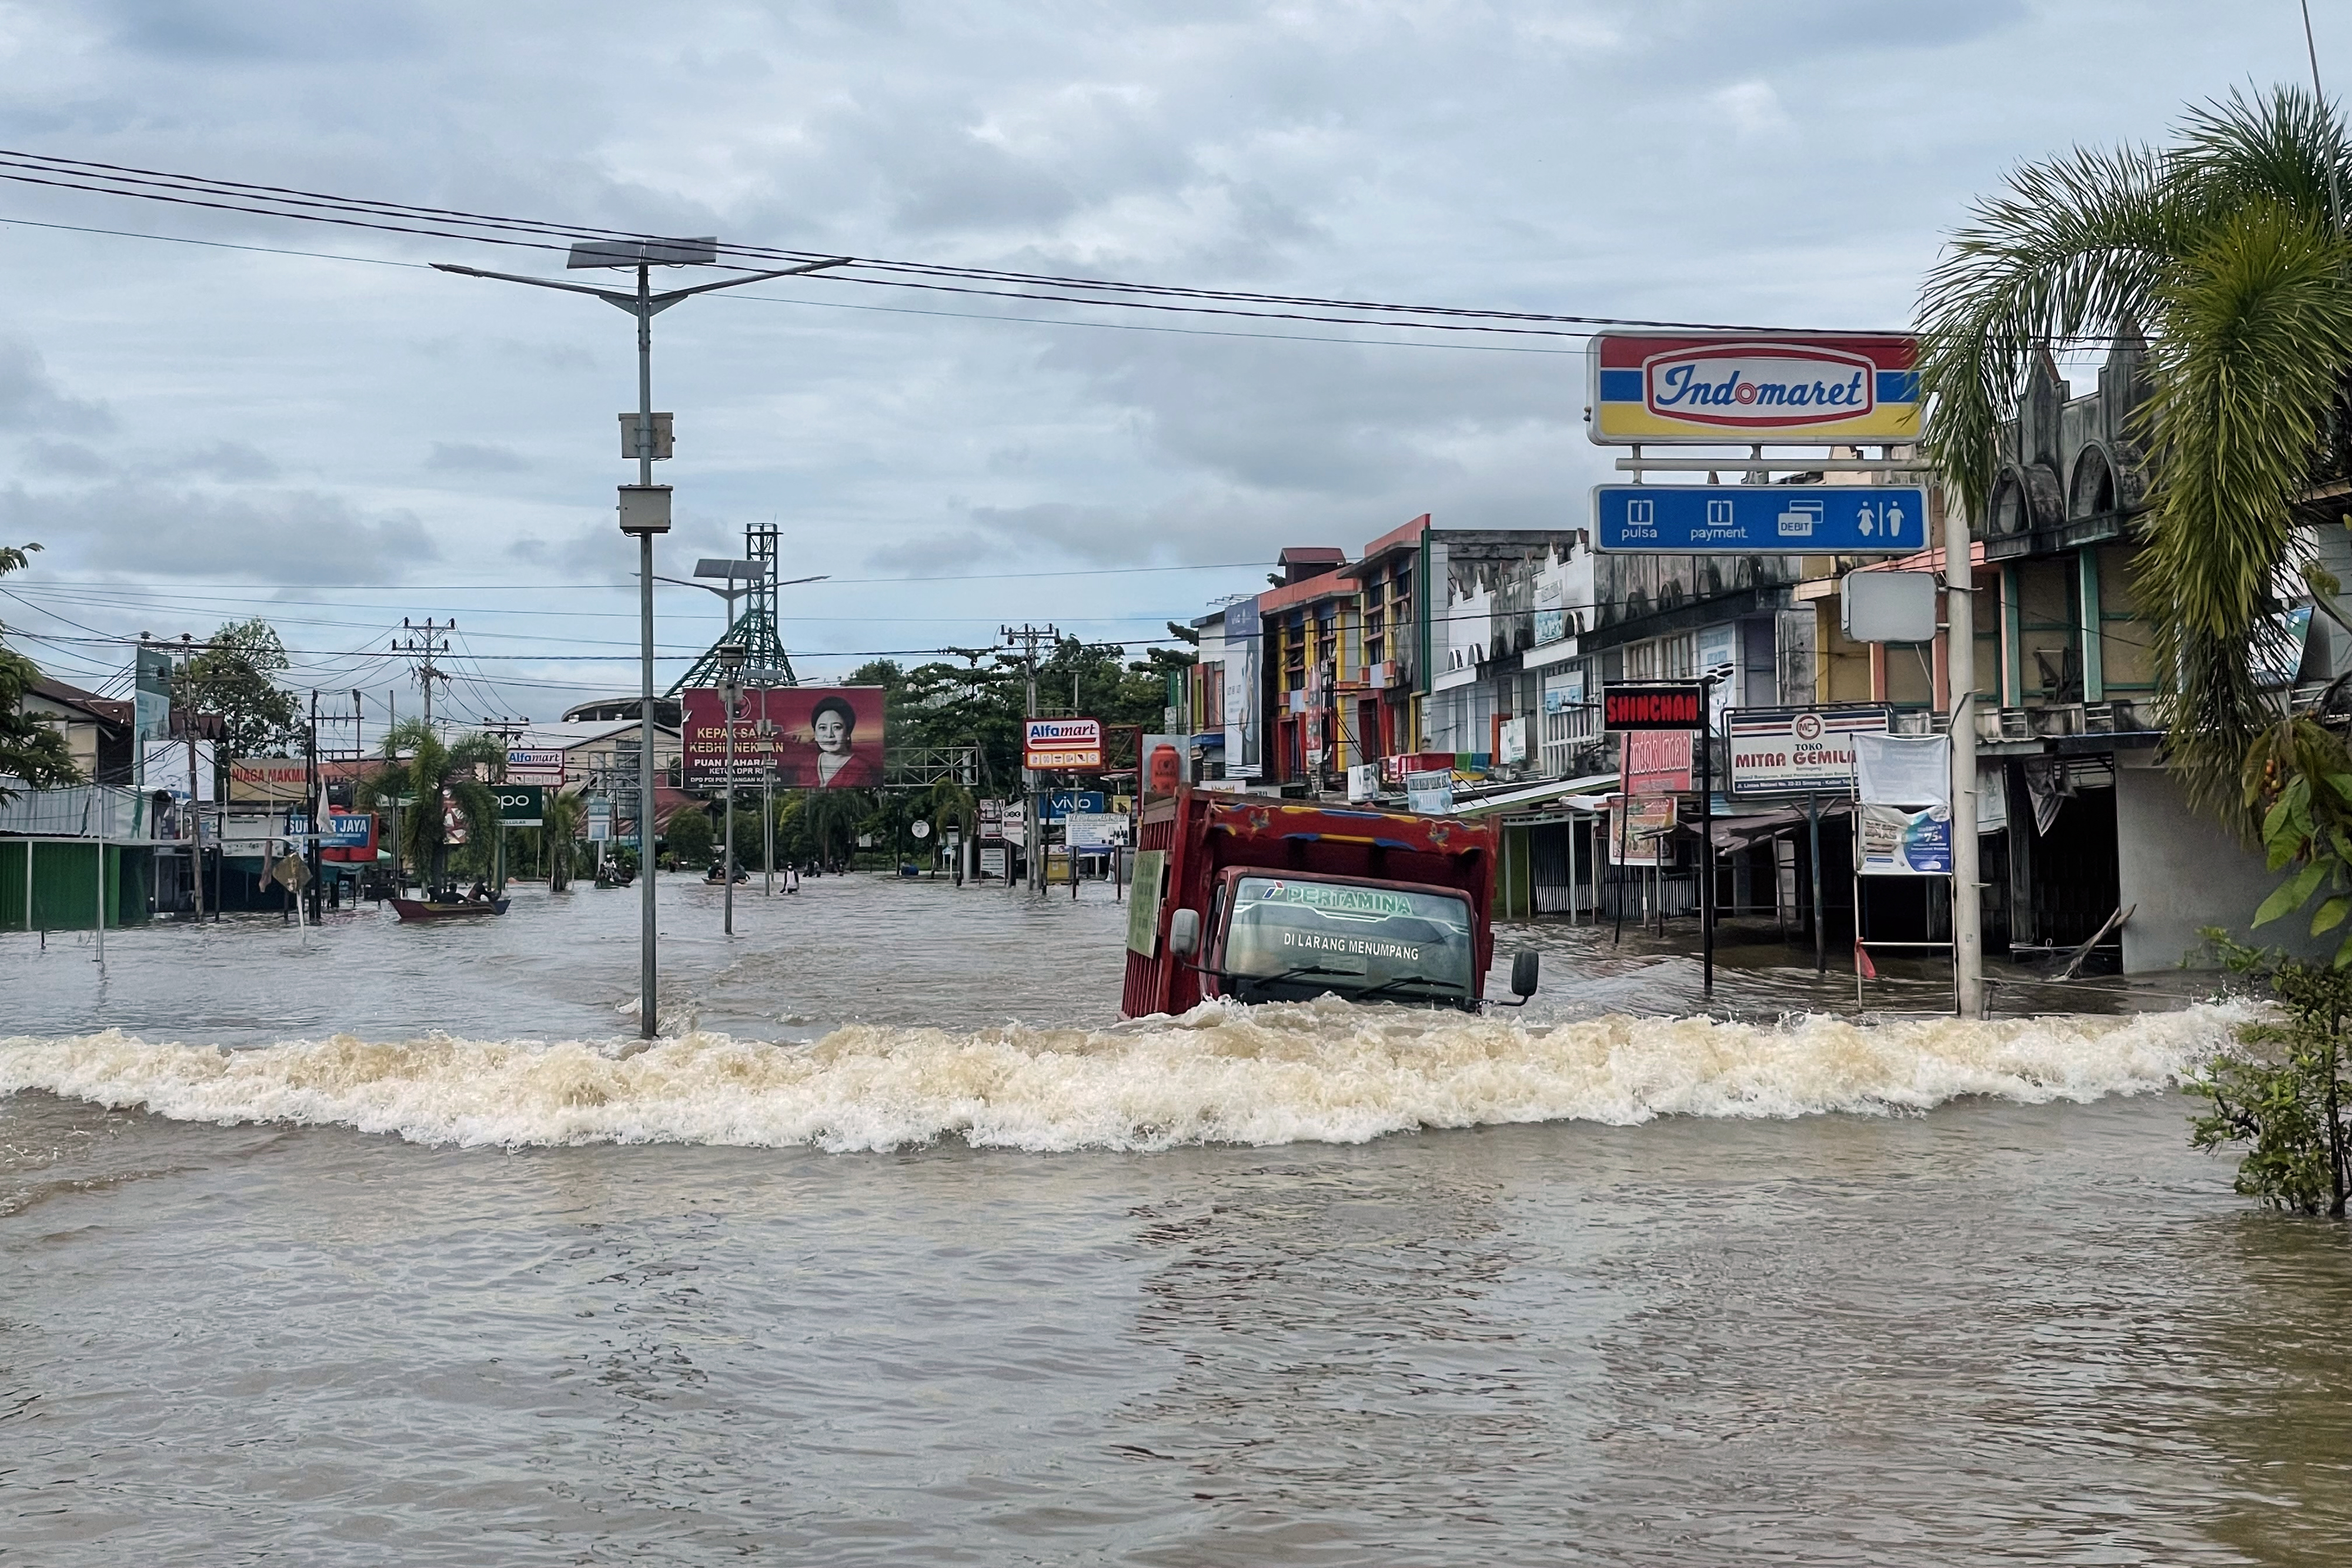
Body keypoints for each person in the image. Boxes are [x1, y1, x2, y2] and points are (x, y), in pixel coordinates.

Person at [806, 695, 880, 788]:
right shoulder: (806, 766)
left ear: (848, 733)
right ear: (815, 734)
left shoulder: (861, 769)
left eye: (837, 727)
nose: (830, 735)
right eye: (823, 728)